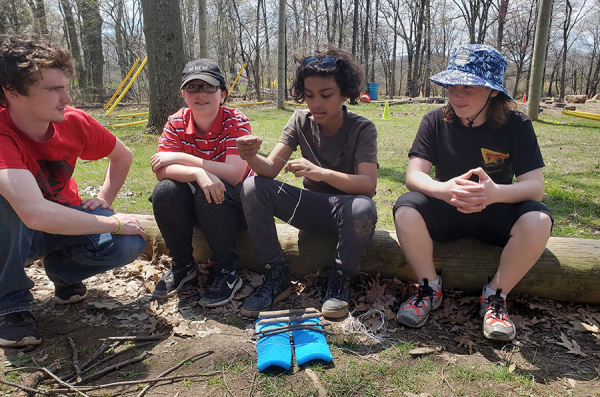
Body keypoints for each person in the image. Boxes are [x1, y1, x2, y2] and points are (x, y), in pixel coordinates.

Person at [393, 44, 553, 341]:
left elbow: (535, 187)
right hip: (446, 208)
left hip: (496, 211)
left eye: (470, 86)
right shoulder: (434, 120)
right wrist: (443, 190)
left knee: (539, 219)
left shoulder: (517, 124)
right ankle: (429, 287)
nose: (457, 94)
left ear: (493, 91)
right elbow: (414, 175)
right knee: (406, 208)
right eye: (453, 85)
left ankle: (495, 296)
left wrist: (493, 194)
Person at [0, 32, 146, 348]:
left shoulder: (74, 121)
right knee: (6, 201)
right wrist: (113, 220)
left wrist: (104, 201)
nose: (67, 99)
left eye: (65, 87)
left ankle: (64, 273)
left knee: (130, 240)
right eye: (54, 90)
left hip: (58, 220)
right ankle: (10, 305)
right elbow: (33, 212)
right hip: (12, 232)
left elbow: (123, 155)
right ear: (12, 91)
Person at [236, 47, 378, 319]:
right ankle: (275, 276)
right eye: (310, 95)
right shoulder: (300, 121)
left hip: (347, 209)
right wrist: (251, 156)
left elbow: (367, 186)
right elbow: (269, 170)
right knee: (253, 186)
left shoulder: (363, 128)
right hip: (308, 209)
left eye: (326, 95)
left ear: (345, 94)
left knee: (363, 208)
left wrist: (319, 172)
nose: (316, 104)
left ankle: (340, 280)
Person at [150, 58, 253, 307]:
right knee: (165, 191)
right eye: (193, 87)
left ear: (223, 94)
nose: (201, 94)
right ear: (184, 94)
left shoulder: (235, 121)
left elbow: (234, 174)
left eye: (209, 87)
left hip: (237, 208)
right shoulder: (176, 121)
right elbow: (162, 171)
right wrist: (199, 174)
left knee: (212, 190)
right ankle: (183, 266)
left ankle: (228, 272)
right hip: (198, 205)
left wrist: (185, 158)